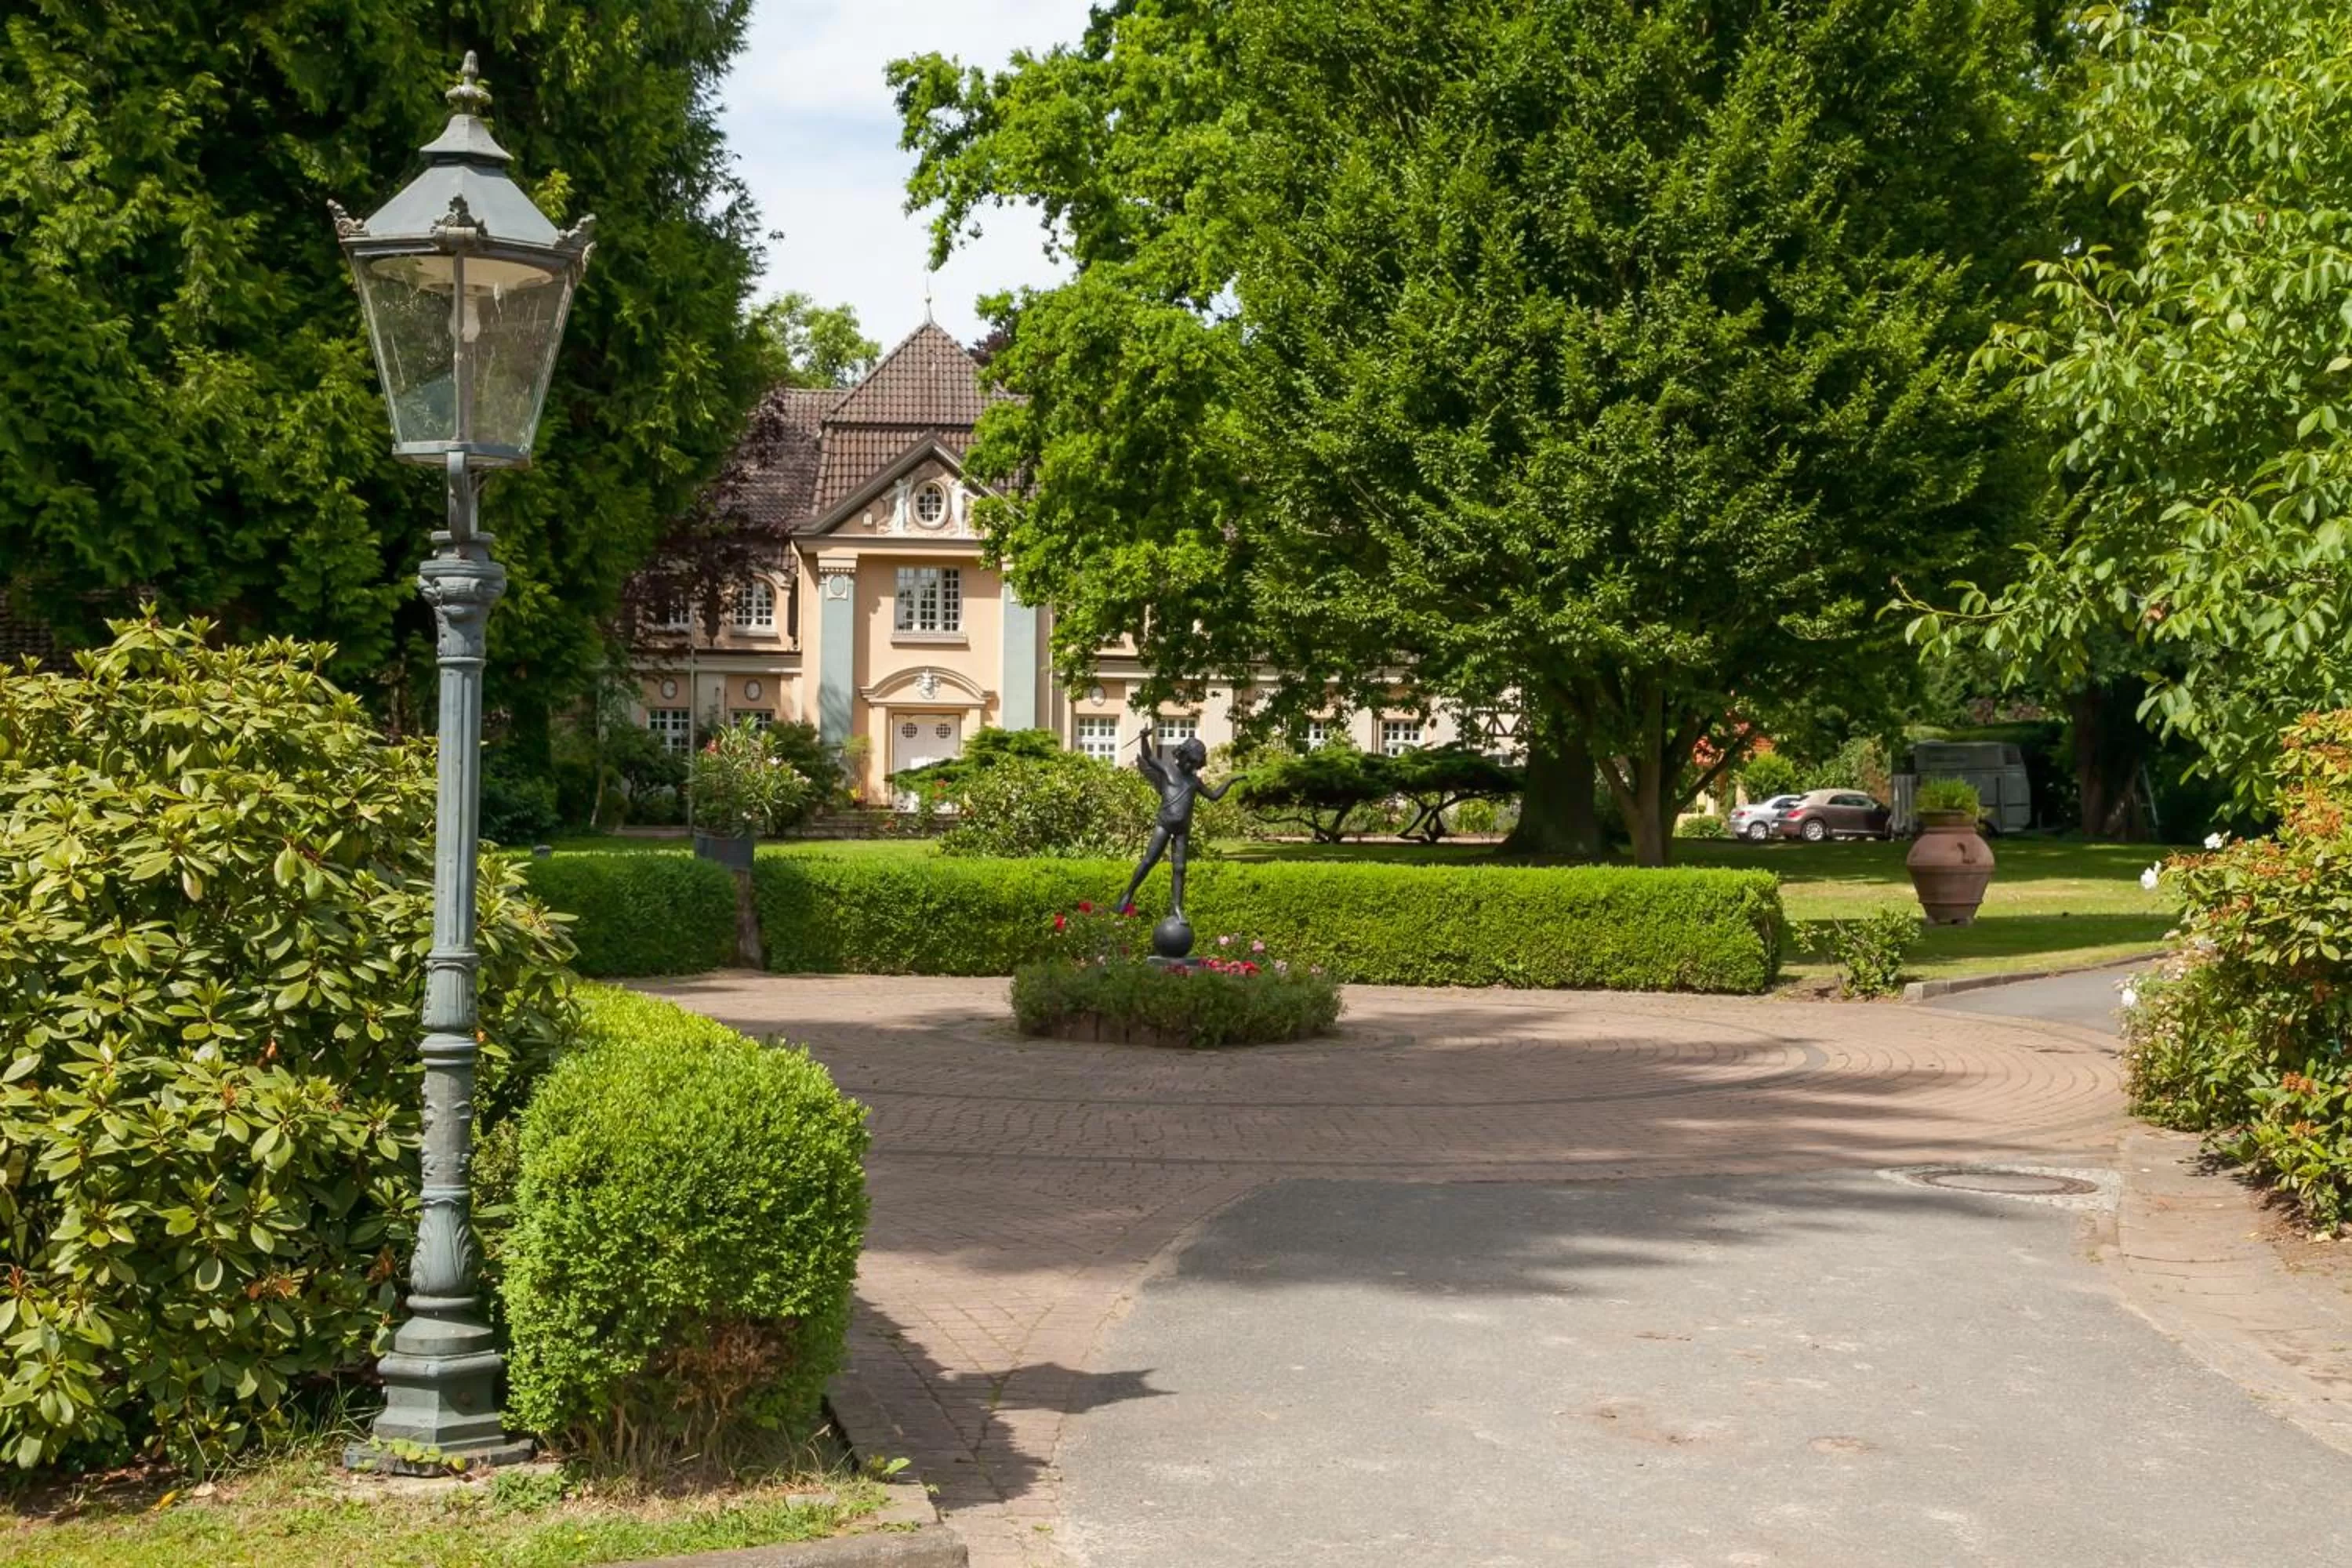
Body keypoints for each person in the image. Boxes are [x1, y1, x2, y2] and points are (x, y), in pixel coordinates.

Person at [1117, 734, 1236, 923]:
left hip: (1183, 829)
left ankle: (1177, 908)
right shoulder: (1167, 769)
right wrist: (1144, 738)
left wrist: (1229, 782)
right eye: (1189, 762)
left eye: (1195, 764)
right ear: (1183, 756)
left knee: (1180, 868)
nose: (1191, 767)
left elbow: (1213, 796)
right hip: (1164, 824)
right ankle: (1128, 893)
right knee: (1149, 861)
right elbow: (1148, 757)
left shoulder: (1194, 781)